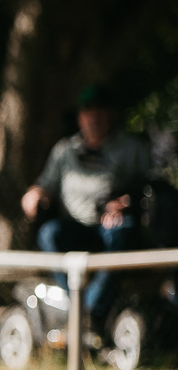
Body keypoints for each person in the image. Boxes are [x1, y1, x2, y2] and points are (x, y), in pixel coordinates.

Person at [22, 82, 152, 317]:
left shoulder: (132, 148)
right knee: (49, 233)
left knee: (124, 231)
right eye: (89, 111)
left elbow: (151, 190)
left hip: (112, 228)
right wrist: (34, 195)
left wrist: (126, 203)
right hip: (75, 227)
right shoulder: (64, 150)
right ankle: (81, 306)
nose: (95, 118)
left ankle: (89, 311)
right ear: (80, 117)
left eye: (101, 111)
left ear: (112, 115)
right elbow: (44, 186)